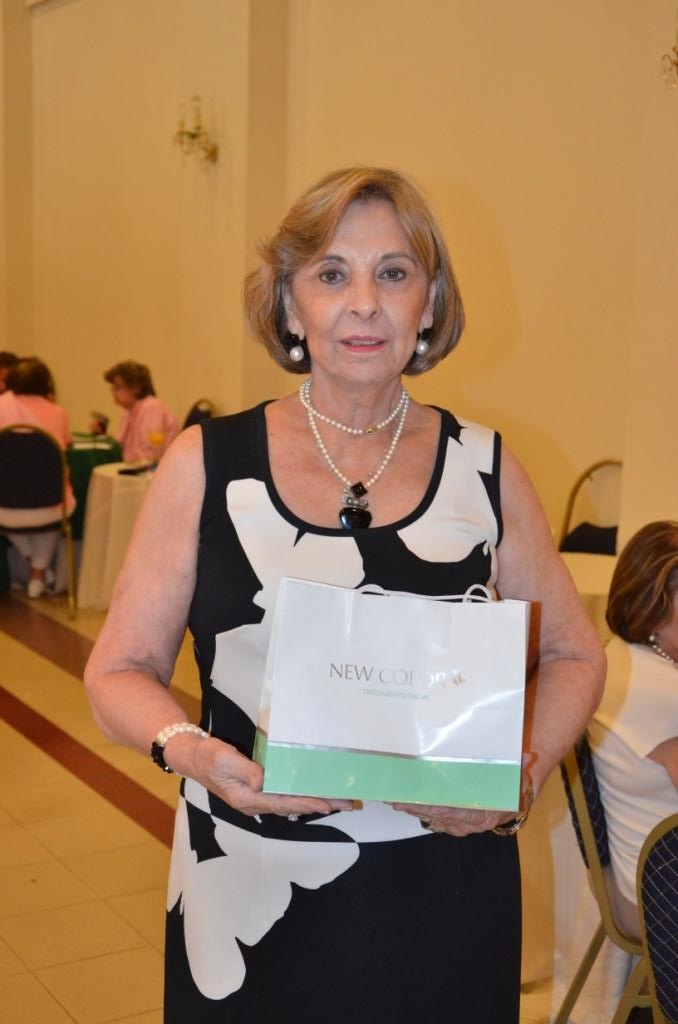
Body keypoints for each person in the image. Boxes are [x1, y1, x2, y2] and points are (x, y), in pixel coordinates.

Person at [84, 167, 605, 1023]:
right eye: (332, 274)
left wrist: (523, 775)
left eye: (393, 273)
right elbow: (118, 670)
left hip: (445, 891)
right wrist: (192, 752)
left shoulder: (486, 468)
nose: (364, 303)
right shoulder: (206, 463)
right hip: (252, 887)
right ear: (290, 307)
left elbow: (574, 652)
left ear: (429, 305)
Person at [589, 520, 678, 938]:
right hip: (663, 898)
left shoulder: (620, 659)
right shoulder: (658, 689)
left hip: (644, 884)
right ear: (658, 603)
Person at [0, 357, 75, 598]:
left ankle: (35, 567)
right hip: (51, 505)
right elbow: (65, 448)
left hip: (4, 507)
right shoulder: (58, 413)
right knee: (56, 511)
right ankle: (39, 571)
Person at [103, 360, 179, 462]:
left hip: (157, 468)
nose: (113, 392)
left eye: (117, 387)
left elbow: (151, 454)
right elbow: (119, 447)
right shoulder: (129, 411)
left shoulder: (152, 407)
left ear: (136, 388)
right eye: (112, 387)